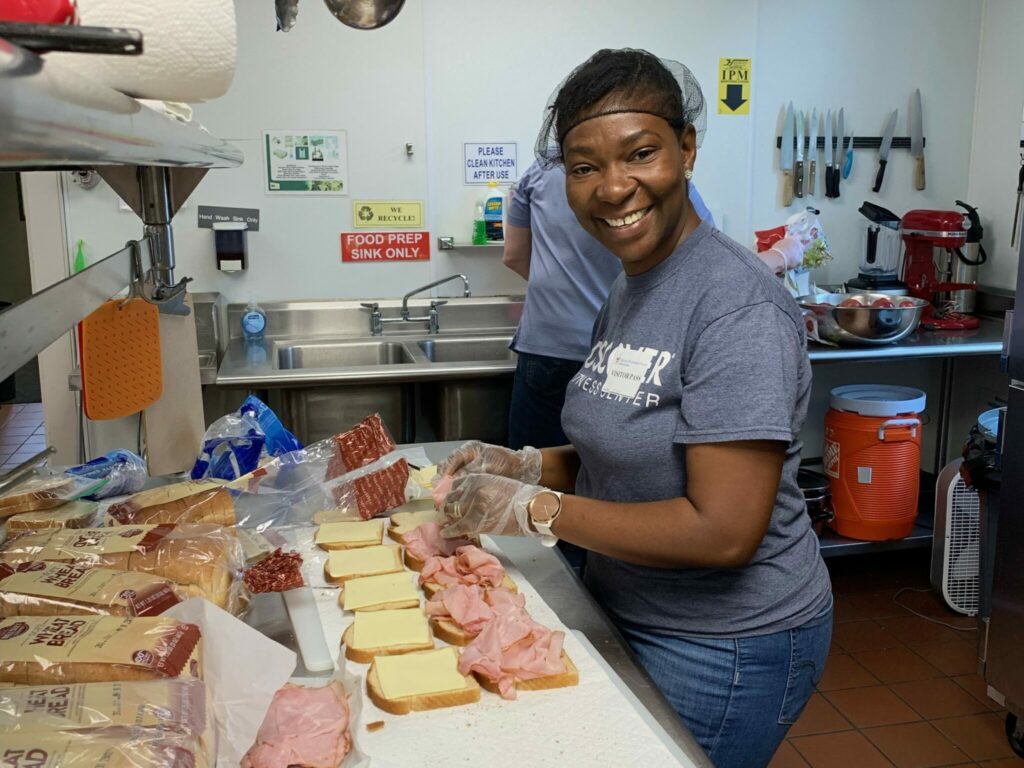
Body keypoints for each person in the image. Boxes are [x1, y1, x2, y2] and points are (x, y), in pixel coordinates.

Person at [437, 49, 832, 768]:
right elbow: (625, 445)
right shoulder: (631, 287)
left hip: (726, 645)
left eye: (640, 153)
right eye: (584, 168)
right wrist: (524, 463)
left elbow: (723, 532)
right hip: (629, 608)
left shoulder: (735, 306)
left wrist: (529, 509)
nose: (613, 188)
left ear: (685, 149)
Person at [503, 158, 715, 452]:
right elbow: (701, 258)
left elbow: (514, 255)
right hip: (629, 352)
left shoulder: (539, 172)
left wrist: (567, 286)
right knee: (613, 471)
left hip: (548, 343)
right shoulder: (662, 178)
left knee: (533, 470)